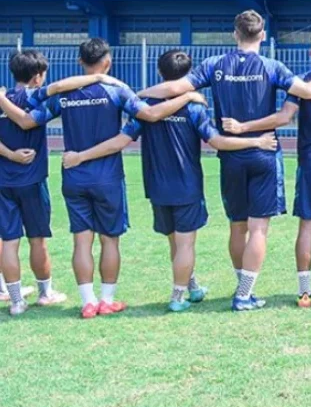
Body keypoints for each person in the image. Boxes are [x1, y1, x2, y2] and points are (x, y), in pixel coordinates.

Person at [137, 10, 311, 312]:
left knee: (237, 227)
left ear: (235, 34)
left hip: (231, 156)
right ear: (262, 35)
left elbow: (175, 88)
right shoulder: (271, 66)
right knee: (258, 229)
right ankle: (244, 294)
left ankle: (242, 290)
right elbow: (309, 90)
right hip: (263, 152)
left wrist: (137, 95)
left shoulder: (215, 65)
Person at [59, 50, 278, 312]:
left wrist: (81, 156)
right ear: (188, 77)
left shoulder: (145, 107)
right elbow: (217, 141)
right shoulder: (194, 107)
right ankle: (177, 297)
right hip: (186, 185)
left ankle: (192, 287)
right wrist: (257, 140)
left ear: (160, 74)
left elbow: (122, 139)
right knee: (185, 244)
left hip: (156, 185)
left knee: (174, 241)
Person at [0, 38, 202, 318]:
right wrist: (188, 97)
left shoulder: (63, 96)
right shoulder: (116, 90)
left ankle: (87, 302)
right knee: (110, 241)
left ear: (80, 62)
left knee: (81, 241)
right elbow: (152, 114)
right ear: (107, 62)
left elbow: (27, 120)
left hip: (73, 176)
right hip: (107, 178)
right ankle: (107, 300)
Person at [222, 30, 311, 310]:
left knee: (307, 226)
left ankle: (305, 294)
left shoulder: (301, 83)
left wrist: (244, 127)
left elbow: (284, 117)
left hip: (310, 163)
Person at [0, 50, 69, 315]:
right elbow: (29, 121)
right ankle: (45, 293)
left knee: (8, 240)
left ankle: (16, 300)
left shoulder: (3, 98)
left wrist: (9, 155)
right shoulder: (41, 98)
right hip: (33, 181)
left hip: (3, 181)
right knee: (37, 239)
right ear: (38, 76)